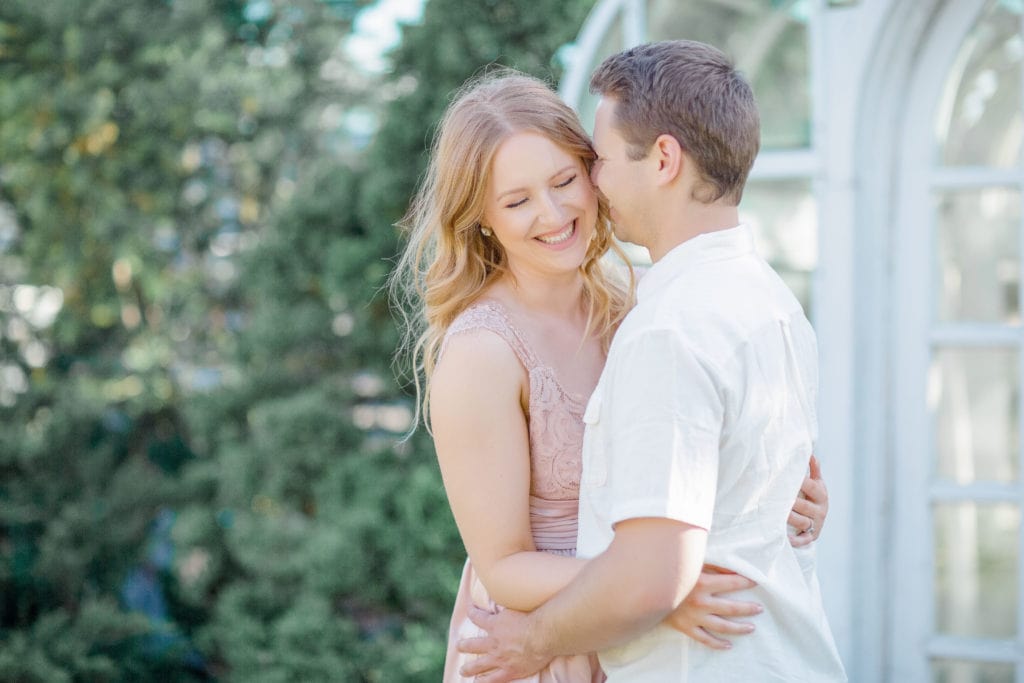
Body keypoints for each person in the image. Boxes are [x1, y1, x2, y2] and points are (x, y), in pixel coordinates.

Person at [391, 67, 830, 683]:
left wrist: (779, 491)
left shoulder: (645, 302)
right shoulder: (482, 353)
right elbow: (504, 564)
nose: (552, 213)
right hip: (543, 641)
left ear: (594, 172)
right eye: (517, 201)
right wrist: (655, 593)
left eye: (565, 180)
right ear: (481, 217)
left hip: (652, 624)